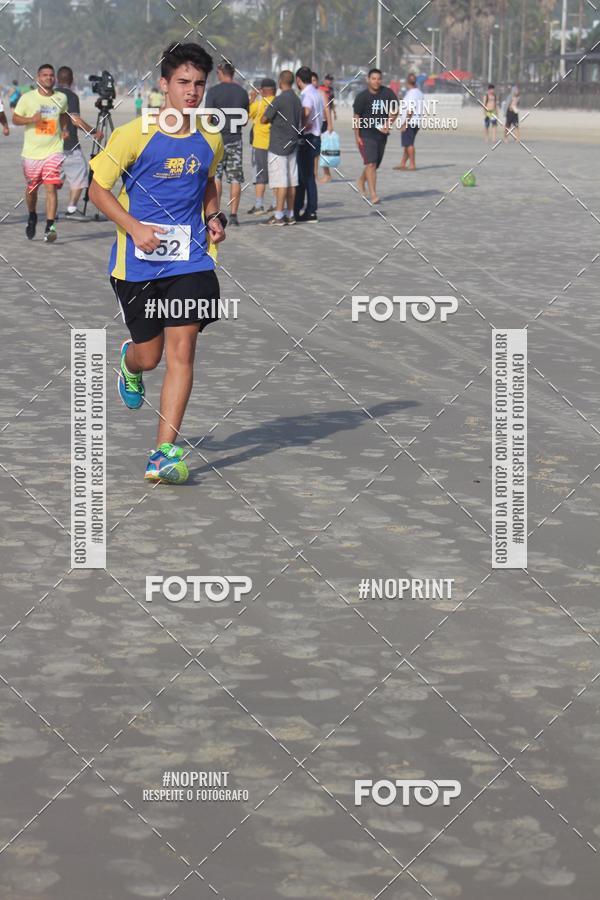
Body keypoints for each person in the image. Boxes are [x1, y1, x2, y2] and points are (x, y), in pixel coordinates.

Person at [88, 42, 226, 485]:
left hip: (190, 259)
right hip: (137, 265)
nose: (191, 92)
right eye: (183, 82)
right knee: (152, 356)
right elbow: (98, 189)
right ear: (163, 84)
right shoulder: (132, 134)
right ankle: (130, 362)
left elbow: (208, 183)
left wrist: (213, 216)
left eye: (199, 84)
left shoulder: (210, 136)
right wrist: (134, 227)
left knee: (183, 350)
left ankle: (162, 453)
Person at [12, 63, 69, 243]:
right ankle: (32, 215)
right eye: (45, 75)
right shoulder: (28, 98)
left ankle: (50, 226)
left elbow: (63, 115)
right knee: (32, 189)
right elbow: (15, 118)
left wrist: (65, 129)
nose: (49, 78)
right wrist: (31, 119)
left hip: (54, 150)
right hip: (31, 153)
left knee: (51, 187)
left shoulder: (61, 98)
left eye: (51, 75)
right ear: (38, 78)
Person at [205, 62, 249, 226]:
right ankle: (234, 215)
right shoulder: (242, 92)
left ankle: (215, 212)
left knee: (216, 178)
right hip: (235, 140)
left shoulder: (213, 91)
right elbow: (244, 121)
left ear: (221, 73)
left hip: (217, 141)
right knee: (235, 179)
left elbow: (208, 118)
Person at [56, 65, 103, 219]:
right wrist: (94, 132)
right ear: (72, 80)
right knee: (80, 177)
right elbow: (75, 121)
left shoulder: (52, 95)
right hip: (70, 146)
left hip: (51, 146)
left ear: (57, 79)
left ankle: (52, 212)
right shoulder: (71, 96)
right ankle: (71, 209)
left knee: (54, 180)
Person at [261, 69, 302, 226]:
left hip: (278, 145)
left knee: (280, 182)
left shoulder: (279, 99)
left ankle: (278, 215)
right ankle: (290, 214)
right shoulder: (297, 99)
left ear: (280, 82)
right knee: (292, 181)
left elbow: (265, 118)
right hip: (293, 144)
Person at [352, 68, 398, 204]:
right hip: (366, 134)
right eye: (373, 79)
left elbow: (395, 110)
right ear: (368, 80)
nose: (376, 81)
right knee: (371, 163)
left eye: (379, 79)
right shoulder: (362, 97)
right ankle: (373, 195)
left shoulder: (388, 93)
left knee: (374, 164)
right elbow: (356, 117)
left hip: (382, 135)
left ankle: (361, 180)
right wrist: (357, 136)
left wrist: (388, 124)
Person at [293, 65, 324, 223]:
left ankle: (307, 210)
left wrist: (302, 125)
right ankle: (310, 210)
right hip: (316, 137)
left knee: (304, 177)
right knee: (309, 176)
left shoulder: (306, 95)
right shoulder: (317, 93)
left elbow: (306, 112)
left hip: (308, 138)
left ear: (298, 80)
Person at [247, 77, 276, 215]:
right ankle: (276, 203)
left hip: (259, 144)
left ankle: (259, 205)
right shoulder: (278, 101)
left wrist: (252, 98)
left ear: (264, 90)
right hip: (275, 144)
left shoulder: (259, 104)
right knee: (275, 176)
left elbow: (245, 115)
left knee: (260, 176)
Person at [394, 72, 423, 171]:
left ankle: (412, 164)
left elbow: (410, 110)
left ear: (407, 82)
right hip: (416, 121)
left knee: (409, 144)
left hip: (410, 122)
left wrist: (405, 123)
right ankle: (403, 163)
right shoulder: (418, 92)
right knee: (407, 144)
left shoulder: (412, 94)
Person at [318, 73, 335, 183]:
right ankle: (324, 174)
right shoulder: (319, 89)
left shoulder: (331, 90)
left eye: (330, 80)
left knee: (323, 149)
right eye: (327, 79)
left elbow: (331, 104)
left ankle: (327, 174)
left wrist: (334, 113)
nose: (329, 82)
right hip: (318, 120)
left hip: (324, 121)